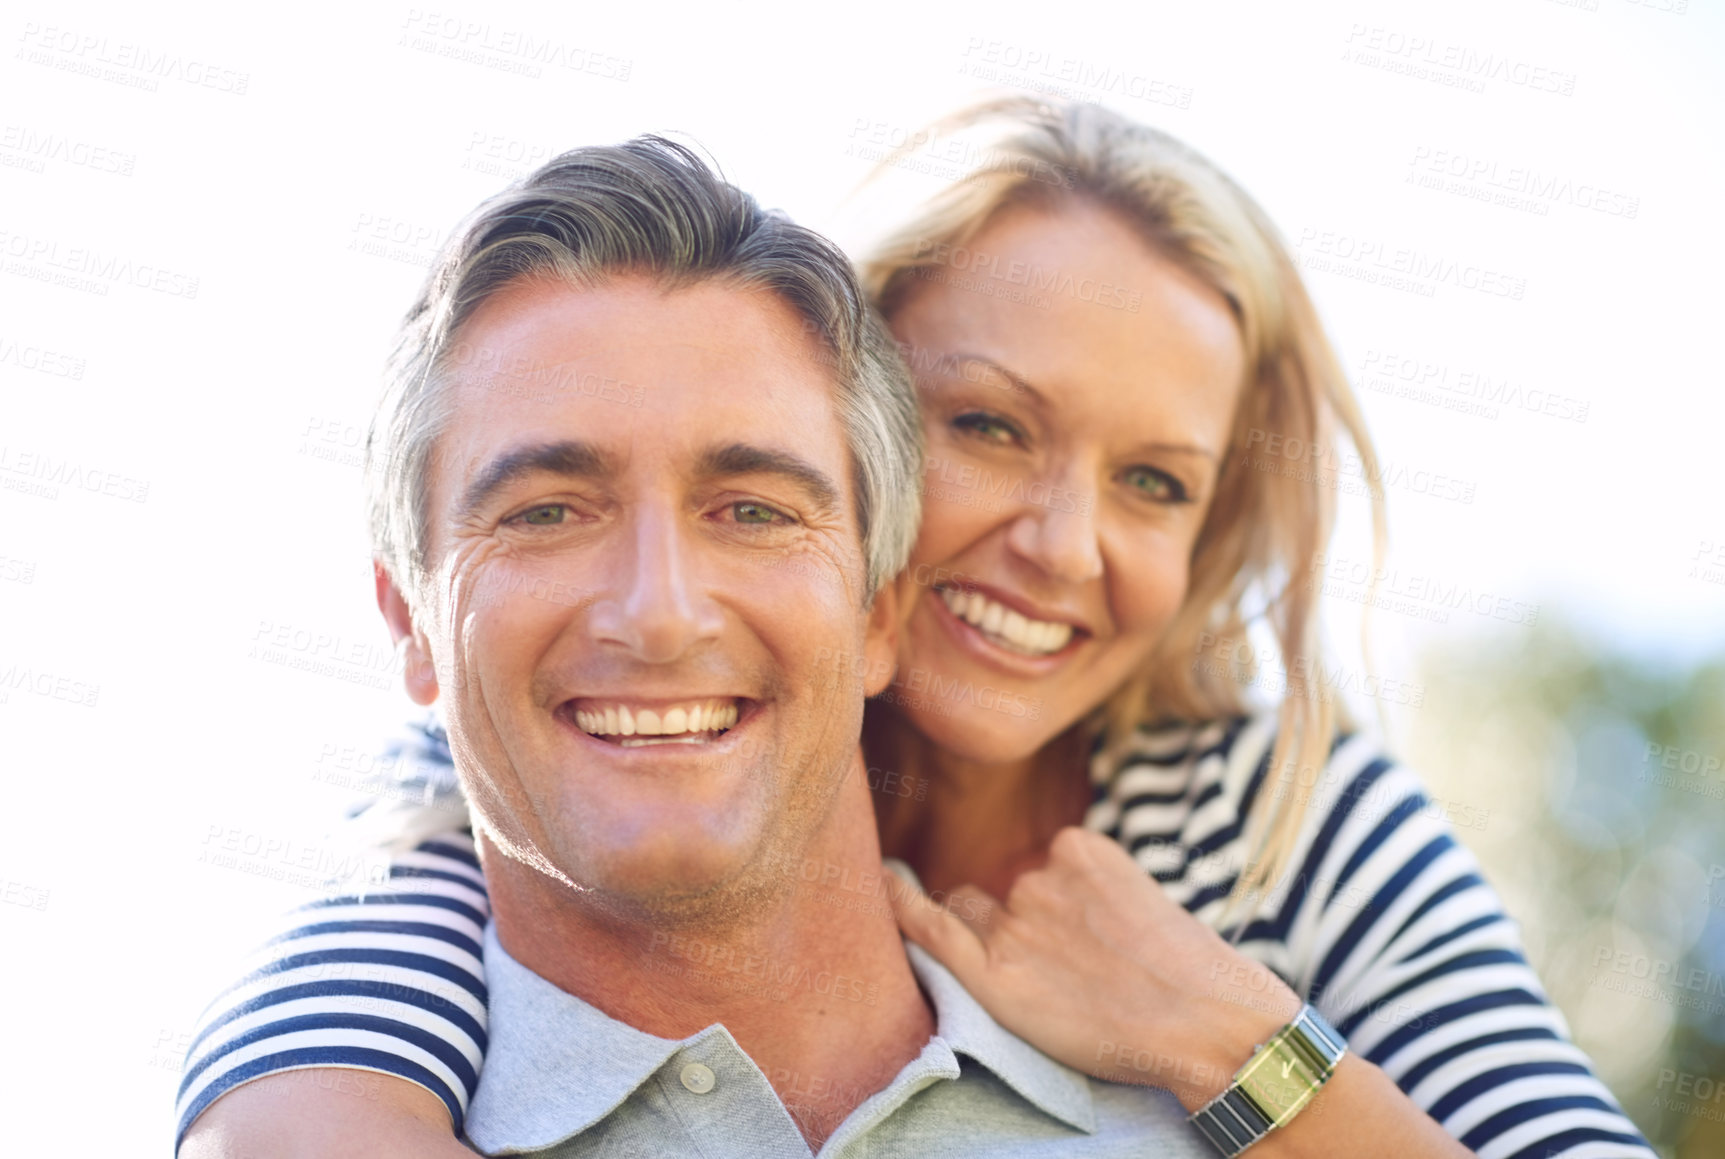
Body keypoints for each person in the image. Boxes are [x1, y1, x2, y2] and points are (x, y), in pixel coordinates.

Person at [180, 101, 1655, 1158]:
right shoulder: (549, 768)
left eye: (1151, 484)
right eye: (991, 426)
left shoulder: (1261, 822)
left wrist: (1231, 1039)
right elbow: (337, 1018)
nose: (1063, 544)